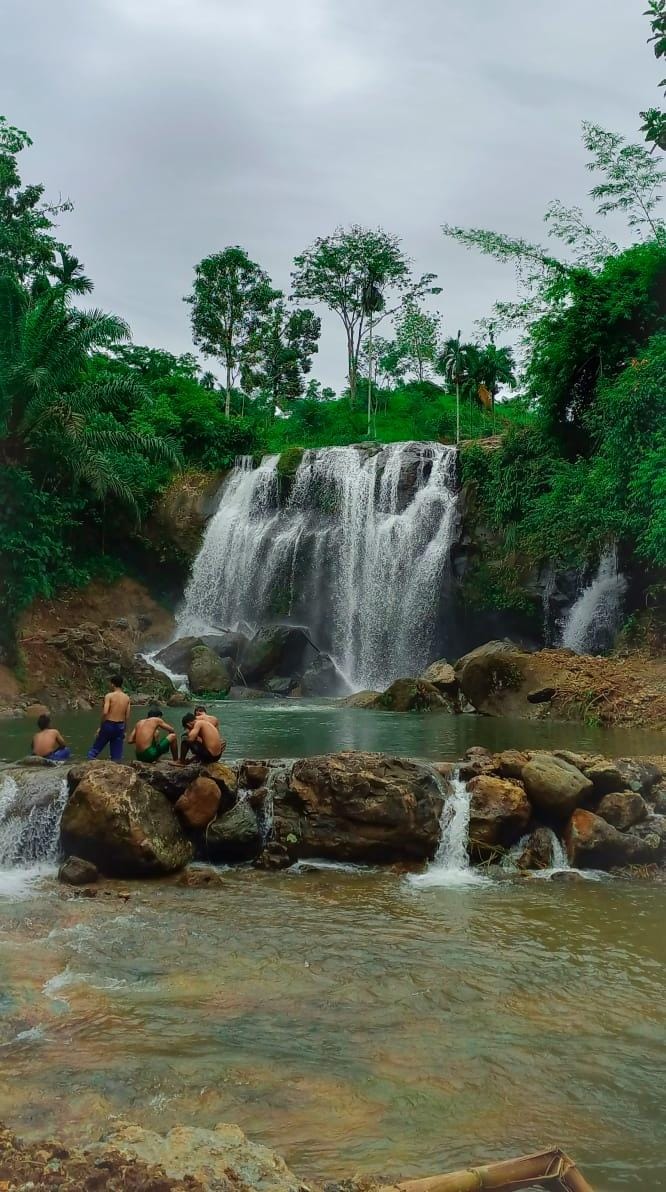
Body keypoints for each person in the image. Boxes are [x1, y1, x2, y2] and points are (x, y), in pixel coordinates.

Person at [87, 674, 130, 762]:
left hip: (109, 725)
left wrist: (101, 726)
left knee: (94, 750)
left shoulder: (109, 696)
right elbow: (127, 716)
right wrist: (125, 731)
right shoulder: (127, 698)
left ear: (113, 684)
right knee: (116, 756)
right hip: (120, 727)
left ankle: (88, 767)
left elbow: (105, 712)